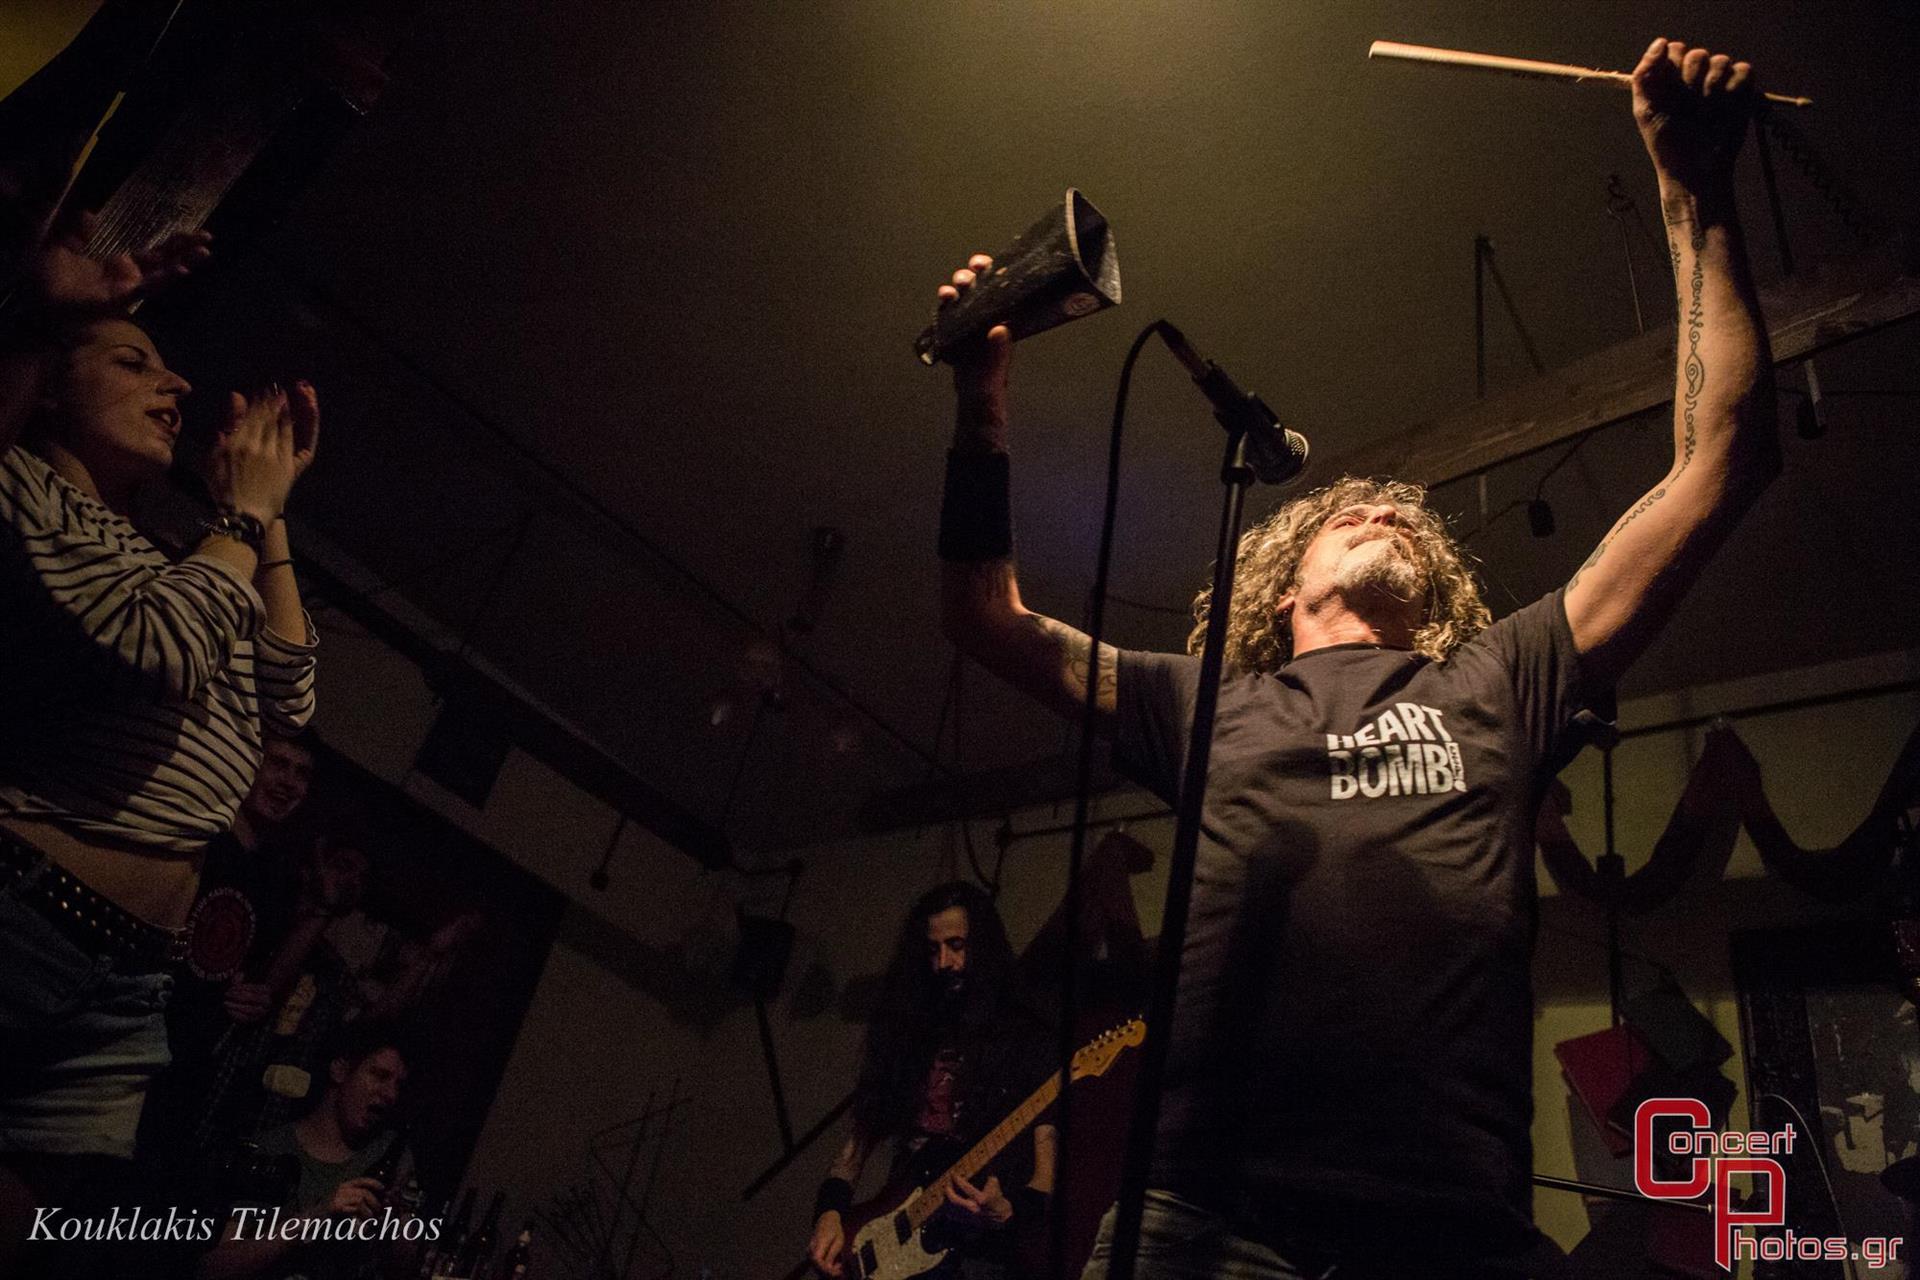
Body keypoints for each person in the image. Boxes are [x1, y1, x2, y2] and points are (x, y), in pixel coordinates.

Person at [933, 39, 1777, 1280]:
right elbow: (985, 616)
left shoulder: (1499, 679)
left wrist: (1692, 190)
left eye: (1405, 518)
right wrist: (981, 403)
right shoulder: (1206, 701)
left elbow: (1723, 461)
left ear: (1432, 593)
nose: (1382, 509)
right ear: (1282, 588)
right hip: (1206, 1225)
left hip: (1450, 1229)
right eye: (1348, 511)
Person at [0, 214, 319, 1265]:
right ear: (51, 387)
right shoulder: (24, 493)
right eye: (133, 361)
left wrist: (268, 512)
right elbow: (157, 646)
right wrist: (239, 523)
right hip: (27, 918)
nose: (175, 384)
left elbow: (289, 693)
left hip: (134, 966)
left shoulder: (172, 552)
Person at [810, 882, 1058, 1280]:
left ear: (983, 946)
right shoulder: (909, 1036)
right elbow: (855, 1148)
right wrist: (830, 1213)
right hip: (900, 1236)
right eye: (932, 950)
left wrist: (1007, 1210)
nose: (944, 962)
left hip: (981, 1256)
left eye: (957, 945)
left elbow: (1046, 1178)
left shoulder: (1026, 1037)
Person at [197, 1022, 414, 1280]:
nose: (390, 1094)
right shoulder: (270, 1150)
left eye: (399, 1085)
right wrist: (316, 1216)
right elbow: (215, 1269)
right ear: (340, 1070)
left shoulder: (391, 1153)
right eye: (379, 1075)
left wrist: (398, 1226)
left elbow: (407, 1268)